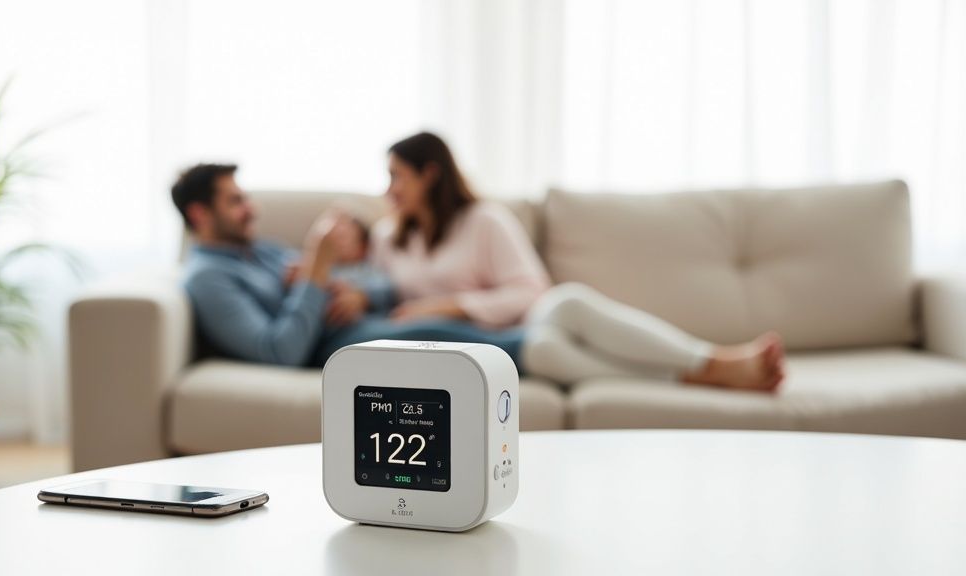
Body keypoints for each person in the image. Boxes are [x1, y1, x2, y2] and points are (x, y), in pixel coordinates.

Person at [318, 132, 786, 392]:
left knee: (570, 301)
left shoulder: (484, 220)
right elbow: (377, 293)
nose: (388, 189)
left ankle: (712, 359)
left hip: (527, 321)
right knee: (542, 353)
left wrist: (451, 305)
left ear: (430, 174)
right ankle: (702, 376)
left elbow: (530, 292)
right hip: (500, 349)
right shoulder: (387, 238)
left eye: (396, 176)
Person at [173, 163, 517, 367]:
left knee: (432, 329)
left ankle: (539, 342)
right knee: (430, 336)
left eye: (245, 197)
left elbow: (382, 286)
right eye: (235, 202)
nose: (252, 208)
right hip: (325, 346)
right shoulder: (208, 278)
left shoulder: (261, 251)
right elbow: (280, 351)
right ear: (200, 214)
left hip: (350, 325)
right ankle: (531, 347)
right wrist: (316, 273)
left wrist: (357, 295)